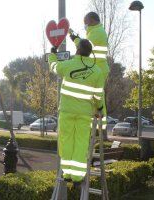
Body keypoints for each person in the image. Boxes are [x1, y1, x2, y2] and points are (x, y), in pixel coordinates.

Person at [49, 39, 104, 185]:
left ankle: (67, 173)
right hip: (85, 114)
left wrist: (52, 54)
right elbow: (99, 94)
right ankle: (78, 177)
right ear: (90, 52)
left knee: (66, 141)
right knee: (81, 143)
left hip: (67, 111)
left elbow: (54, 67)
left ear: (78, 50)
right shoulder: (97, 71)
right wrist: (100, 109)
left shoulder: (68, 65)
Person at [69, 11, 109, 132]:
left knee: (97, 95)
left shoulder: (97, 32)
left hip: (98, 69)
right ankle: (96, 121)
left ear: (91, 21)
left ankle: (100, 121)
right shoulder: (95, 32)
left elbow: (85, 47)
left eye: (85, 23)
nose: (85, 25)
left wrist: (75, 39)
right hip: (97, 68)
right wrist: (76, 37)